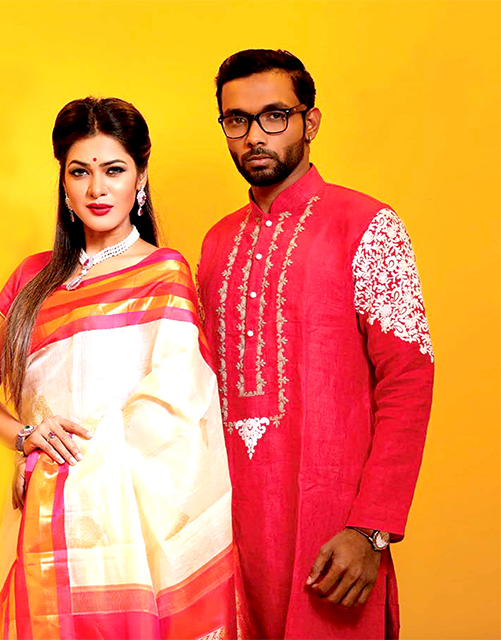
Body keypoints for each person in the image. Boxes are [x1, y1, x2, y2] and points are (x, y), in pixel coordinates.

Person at [0, 96, 234, 640]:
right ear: (63, 183)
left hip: (131, 522)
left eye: (114, 170)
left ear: (140, 177)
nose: (96, 189)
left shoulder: (164, 273)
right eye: (79, 172)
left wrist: (88, 457)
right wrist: (26, 437)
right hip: (44, 515)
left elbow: (180, 407)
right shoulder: (32, 278)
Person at [196, 49, 434, 640]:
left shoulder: (370, 225)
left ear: (311, 121)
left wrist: (372, 530)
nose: (255, 135)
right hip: (228, 533)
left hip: (334, 536)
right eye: (237, 119)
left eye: (275, 115)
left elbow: (408, 380)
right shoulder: (216, 244)